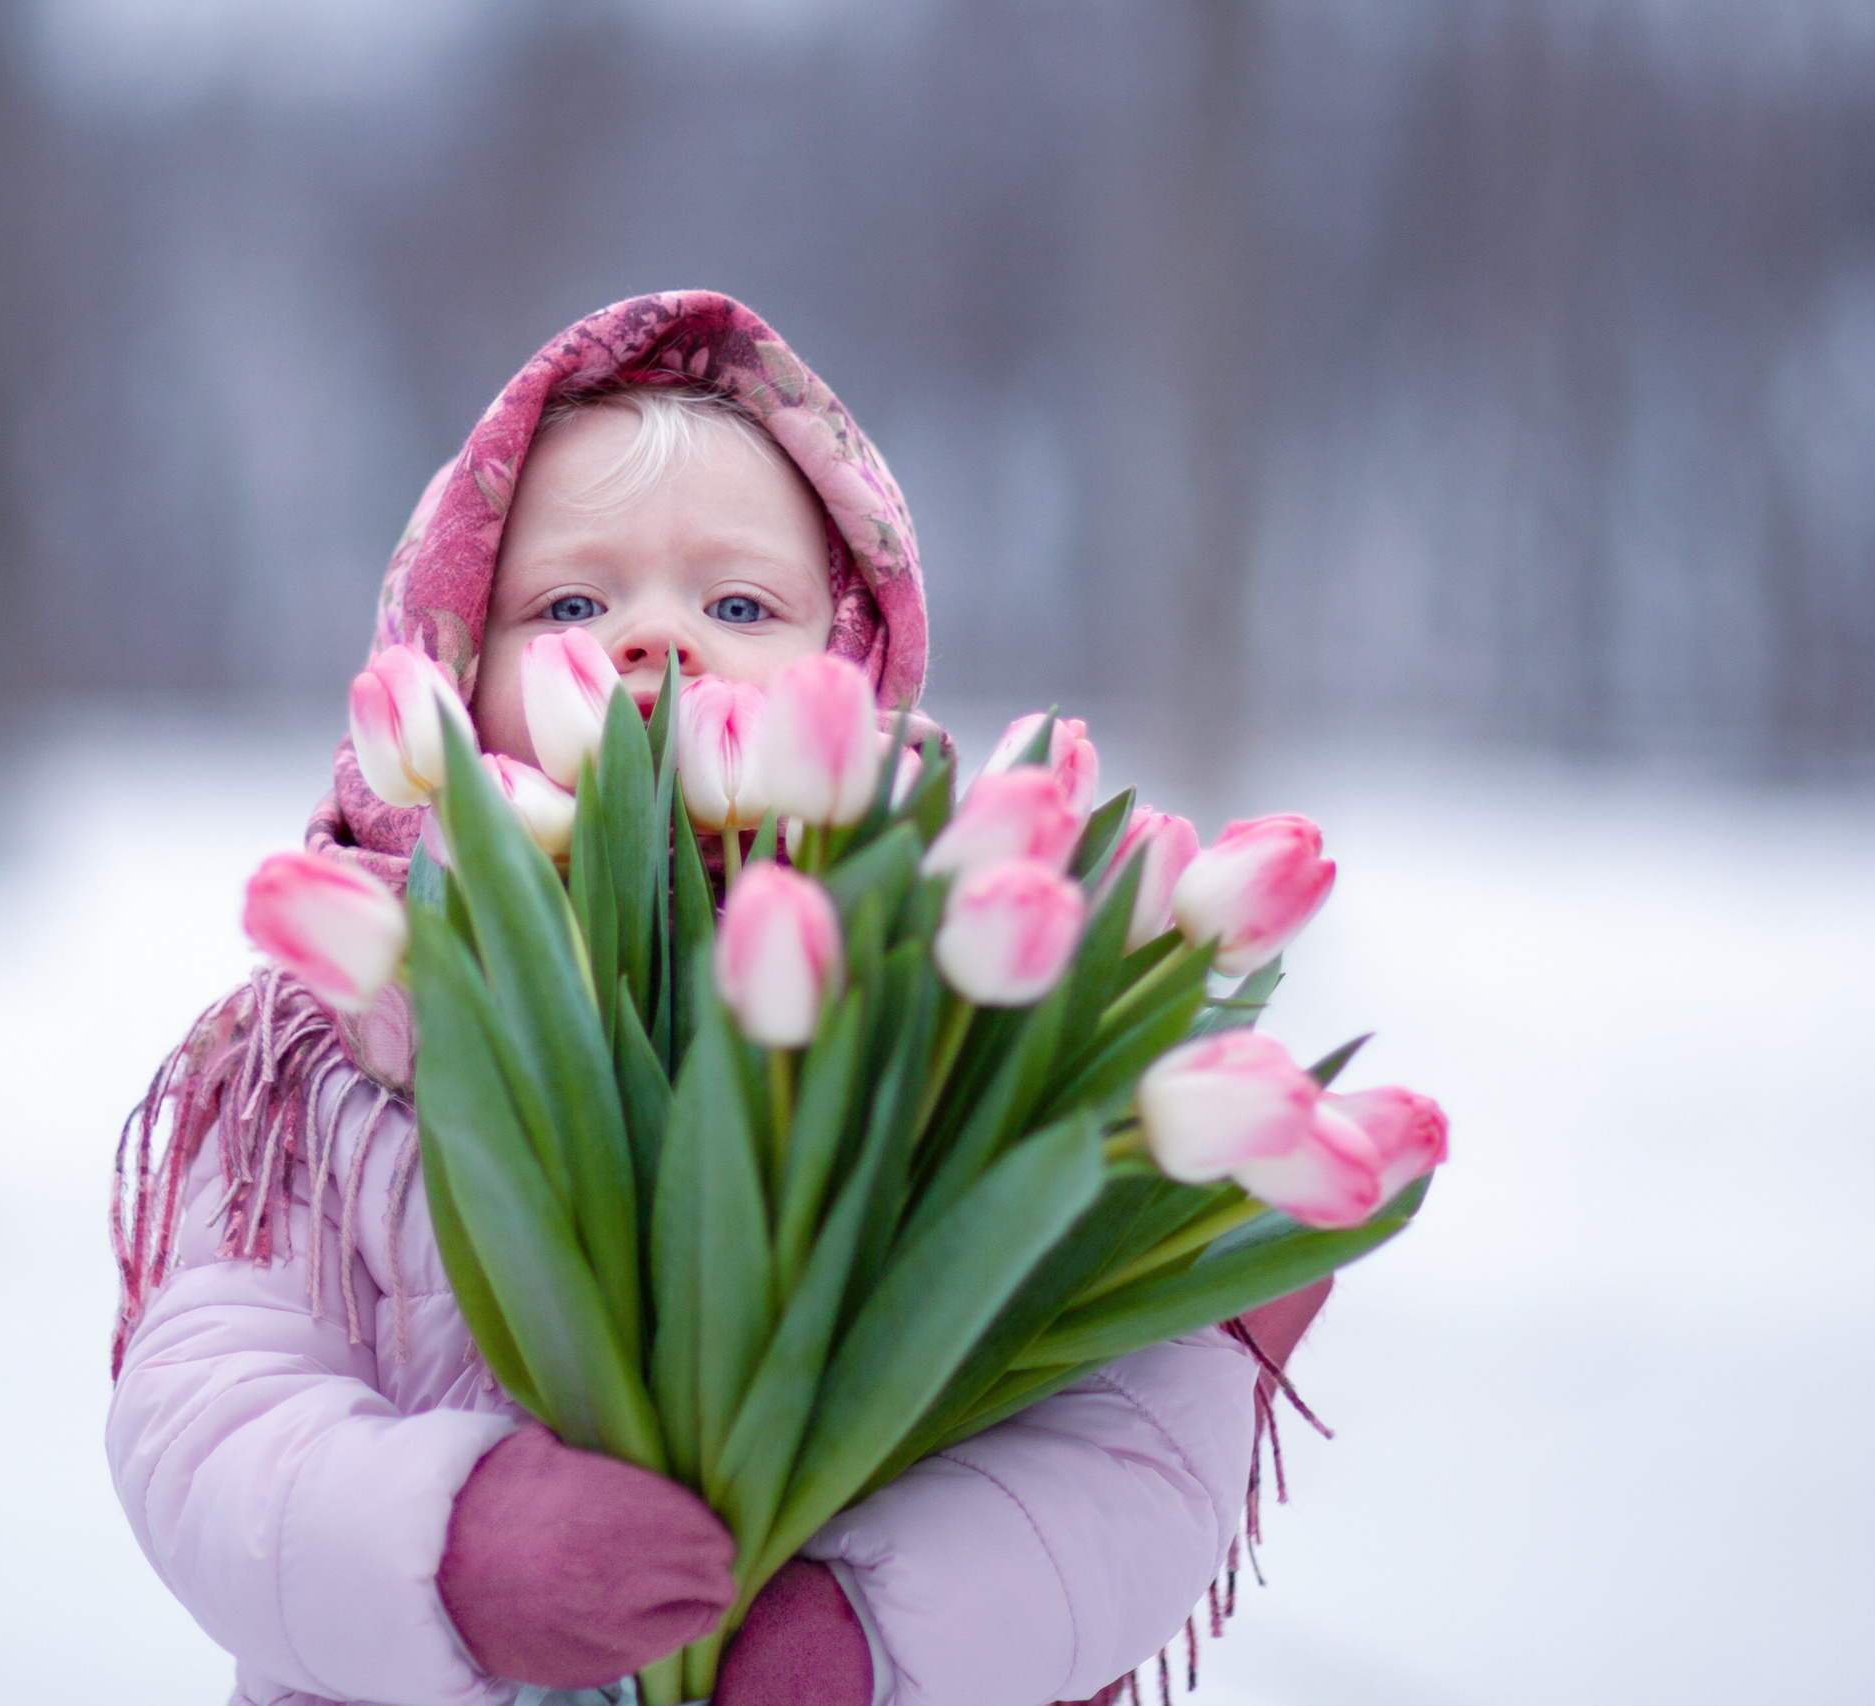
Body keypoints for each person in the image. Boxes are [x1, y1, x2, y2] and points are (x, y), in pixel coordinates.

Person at [107, 292, 1332, 1706]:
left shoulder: (971, 1021)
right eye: (571, 606)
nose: (655, 640)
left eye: (738, 605)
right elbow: (206, 1414)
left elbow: (1134, 1449)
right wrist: (451, 1550)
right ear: (445, 667)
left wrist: (868, 1639)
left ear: (850, 663)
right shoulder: (318, 1060)